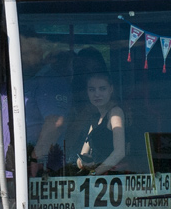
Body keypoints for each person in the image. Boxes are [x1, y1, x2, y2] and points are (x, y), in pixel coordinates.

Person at [20, 30, 72, 176]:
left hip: (36, 171)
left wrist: (34, 161)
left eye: (25, 54)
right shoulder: (23, 79)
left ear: (39, 52)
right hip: (13, 166)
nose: (20, 58)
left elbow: (55, 124)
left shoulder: (50, 81)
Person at [73, 73, 127, 175]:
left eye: (102, 89)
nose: (97, 94)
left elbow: (119, 153)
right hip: (99, 180)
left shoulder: (115, 112)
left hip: (114, 178)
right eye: (92, 89)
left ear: (111, 89)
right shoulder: (95, 118)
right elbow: (83, 154)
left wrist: (93, 174)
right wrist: (83, 162)